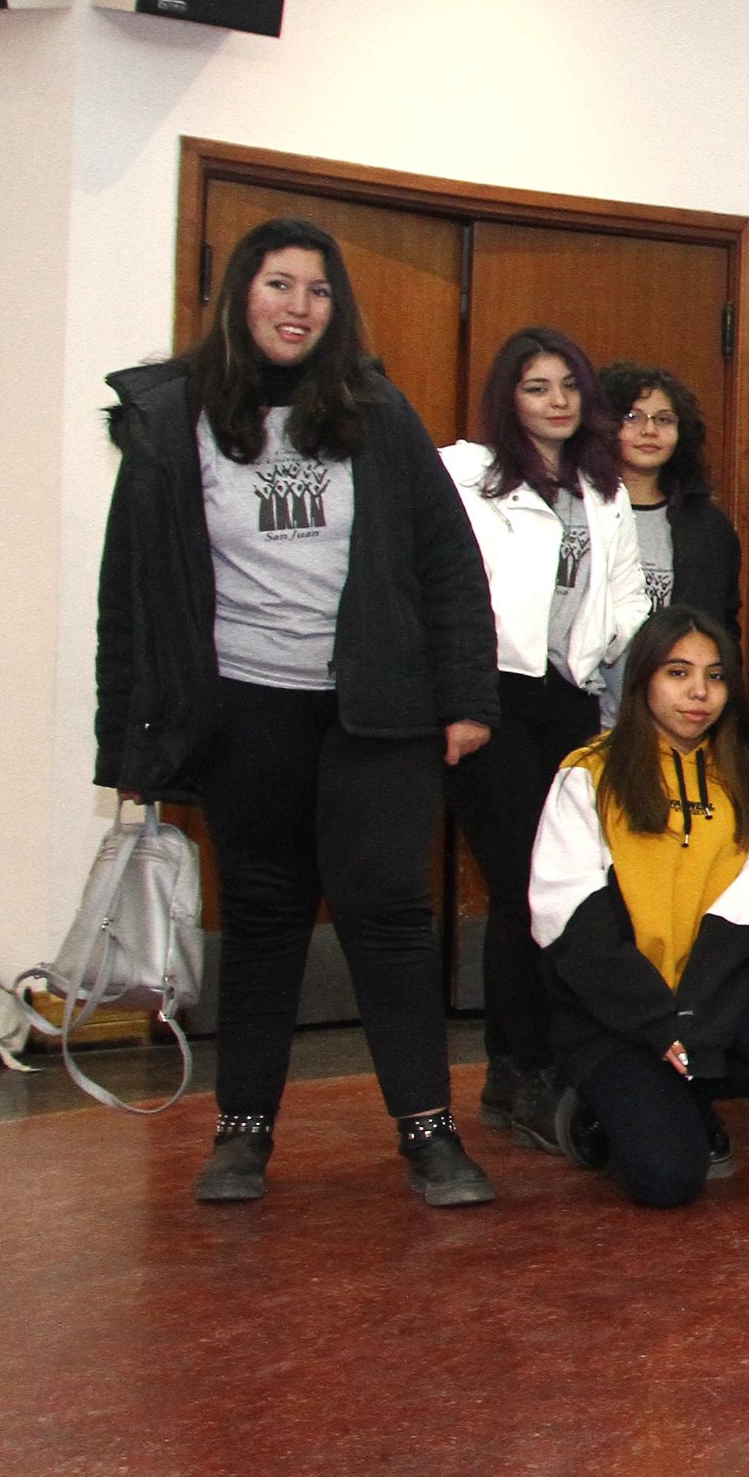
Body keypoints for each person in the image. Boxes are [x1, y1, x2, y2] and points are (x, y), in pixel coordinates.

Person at [99, 216, 502, 1209]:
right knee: (264, 918)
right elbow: (131, 598)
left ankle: (429, 1134)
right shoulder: (173, 418)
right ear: (241, 293)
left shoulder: (377, 410)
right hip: (246, 713)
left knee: (391, 916)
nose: (298, 307)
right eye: (279, 285)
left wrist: (466, 697)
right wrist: (127, 746)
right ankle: (242, 1134)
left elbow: (448, 562)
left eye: (318, 292)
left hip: (378, 712)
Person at [528, 609, 749, 1209]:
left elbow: (741, 922)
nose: (699, 692)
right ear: (643, 679)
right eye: (678, 672)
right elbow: (572, 925)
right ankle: (595, 1106)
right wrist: (655, 1021)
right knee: (668, 1180)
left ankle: (683, 1091)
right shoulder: (588, 775)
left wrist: (690, 1021)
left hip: (709, 994)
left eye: (715, 676)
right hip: (612, 1010)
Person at [443, 327, 652, 1148]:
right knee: (519, 888)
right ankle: (518, 1067)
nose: (557, 401)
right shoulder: (469, 476)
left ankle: (543, 1062)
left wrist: (606, 649)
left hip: (571, 698)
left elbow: (629, 594)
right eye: (537, 386)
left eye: (569, 385)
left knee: (565, 885)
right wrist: (457, 694)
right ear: (509, 398)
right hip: (491, 697)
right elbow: (447, 586)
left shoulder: (603, 487)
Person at [600, 362, 740, 632]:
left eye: (664, 419)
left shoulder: (708, 525)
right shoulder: (581, 509)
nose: (649, 430)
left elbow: (721, 624)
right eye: (632, 417)